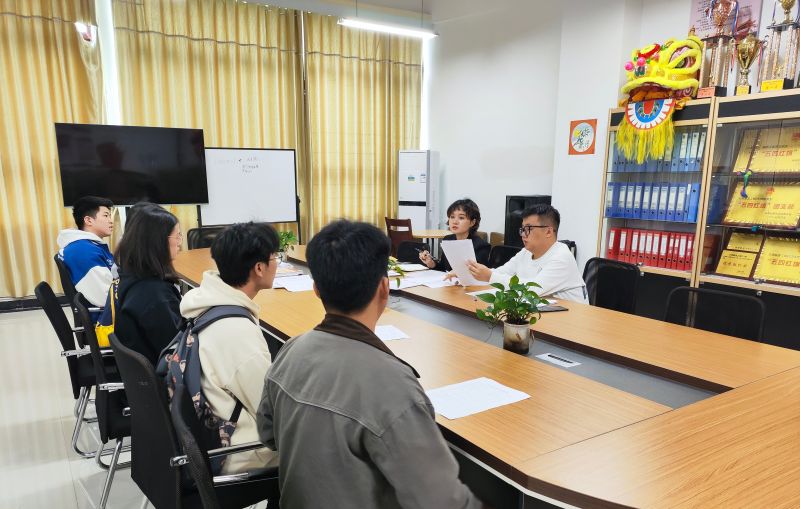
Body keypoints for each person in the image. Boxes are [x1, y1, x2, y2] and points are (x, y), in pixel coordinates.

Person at [257, 220, 483, 509]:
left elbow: (268, 434)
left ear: (316, 290)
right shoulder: (392, 384)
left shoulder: (291, 350)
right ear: (384, 288)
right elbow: (441, 501)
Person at [179, 222, 280, 475]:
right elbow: (273, 414)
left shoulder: (206, 302)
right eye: (274, 257)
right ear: (259, 268)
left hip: (214, 429)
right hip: (239, 453)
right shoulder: (237, 333)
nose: (277, 263)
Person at [466, 204, 588, 303]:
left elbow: (534, 289)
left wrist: (489, 276)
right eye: (522, 229)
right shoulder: (525, 252)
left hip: (570, 320)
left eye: (529, 229)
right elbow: (501, 272)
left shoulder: (562, 257)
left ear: (548, 232)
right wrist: (473, 272)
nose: (523, 234)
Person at [113, 205, 183, 366]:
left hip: (146, 368)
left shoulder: (133, 276)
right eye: (177, 236)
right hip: (165, 373)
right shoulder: (155, 296)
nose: (180, 242)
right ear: (158, 242)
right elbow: (178, 350)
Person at [57, 196, 117, 311]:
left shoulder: (91, 246)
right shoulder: (83, 251)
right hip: (107, 316)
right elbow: (105, 298)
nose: (111, 221)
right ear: (88, 220)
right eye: (106, 216)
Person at [419, 198, 490, 272]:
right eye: (452, 217)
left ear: (472, 222)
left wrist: (457, 273)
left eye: (461, 218)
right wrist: (431, 263)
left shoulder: (481, 246)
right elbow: (444, 268)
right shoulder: (447, 239)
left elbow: (480, 274)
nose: (455, 222)